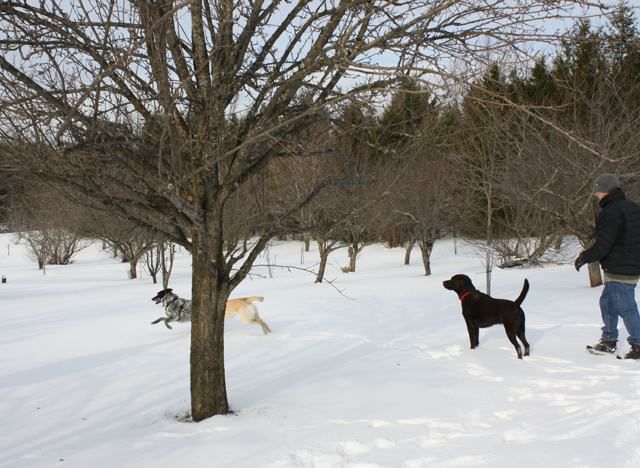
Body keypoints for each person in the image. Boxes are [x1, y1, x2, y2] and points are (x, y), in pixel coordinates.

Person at [574, 174, 640, 359]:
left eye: (596, 191)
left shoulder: (610, 213)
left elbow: (604, 245)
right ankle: (609, 340)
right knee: (608, 303)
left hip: (621, 268)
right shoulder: (633, 207)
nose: (595, 195)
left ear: (605, 190)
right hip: (628, 266)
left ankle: (638, 344)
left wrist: (584, 257)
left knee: (626, 307)